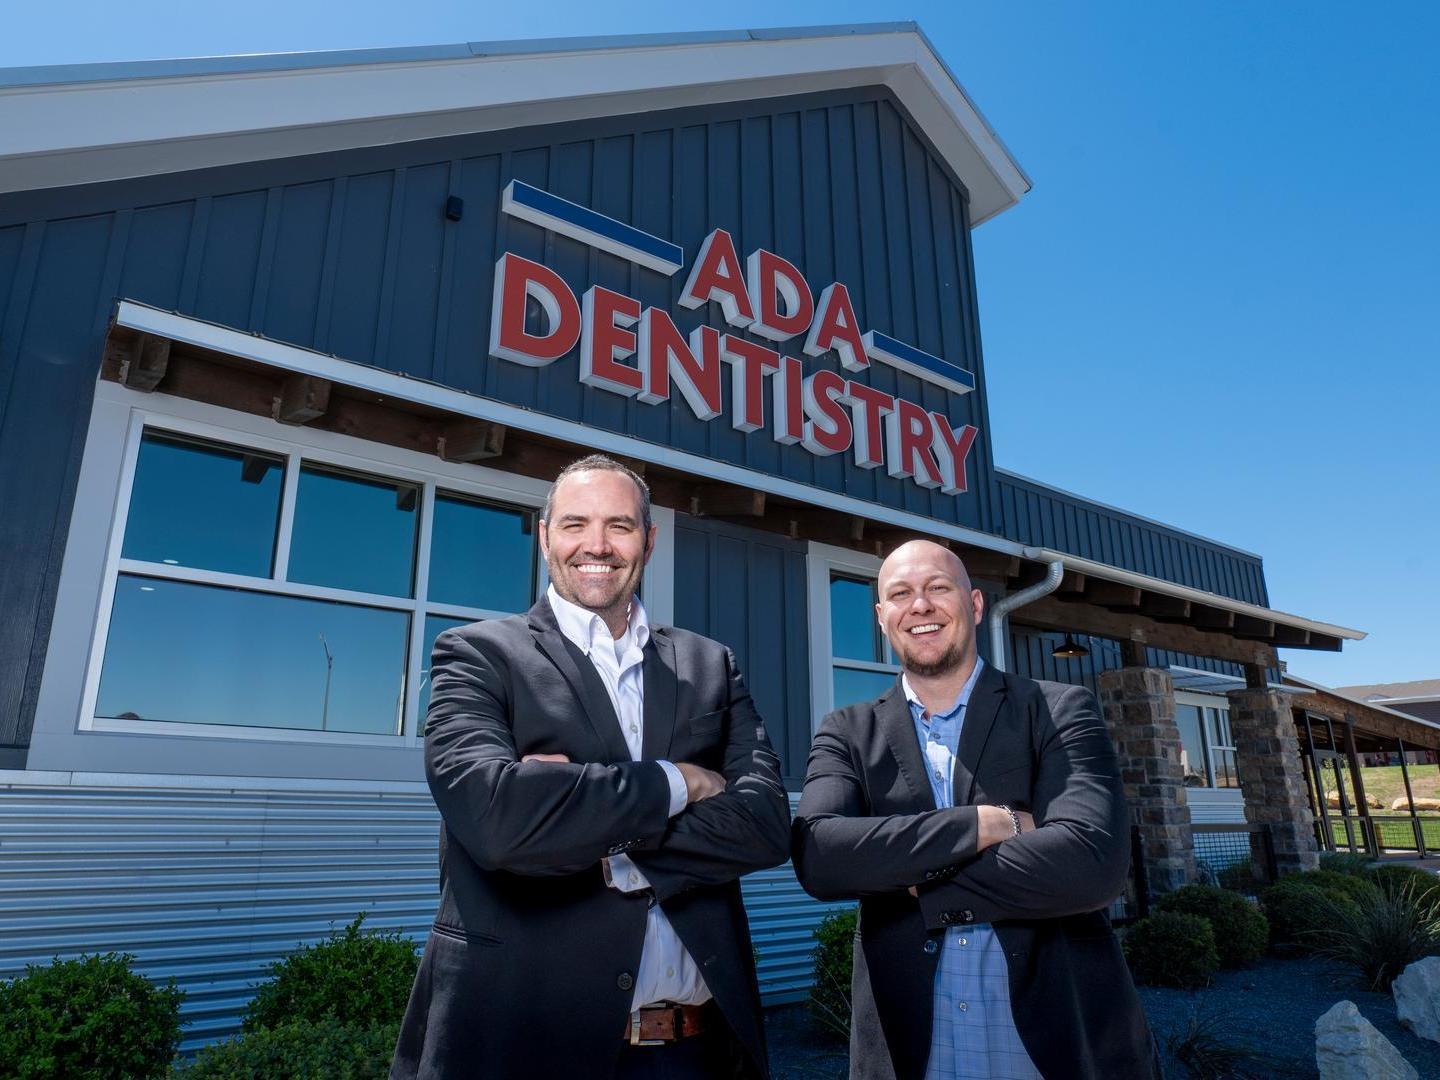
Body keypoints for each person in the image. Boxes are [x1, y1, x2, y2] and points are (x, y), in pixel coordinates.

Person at [392, 454, 791, 1079]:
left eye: (620, 526)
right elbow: (498, 821)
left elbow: (766, 823)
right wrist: (678, 782)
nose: (596, 546)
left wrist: (571, 810)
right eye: (575, 524)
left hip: (699, 1050)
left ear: (649, 540)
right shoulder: (477, 655)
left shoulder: (709, 663)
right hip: (527, 1044)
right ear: (545, 533)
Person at [792, 540, 1158, 1080]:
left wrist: (916, 880)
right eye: (900, 594)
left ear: (976, 604)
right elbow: (821, 856)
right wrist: (991, 823)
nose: (920, 606)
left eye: (938, 588)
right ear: (881, 617)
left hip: (1058, 1047)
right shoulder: (846, 732)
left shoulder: (1056, 710)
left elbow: (1092, 863)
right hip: (912, 1052)